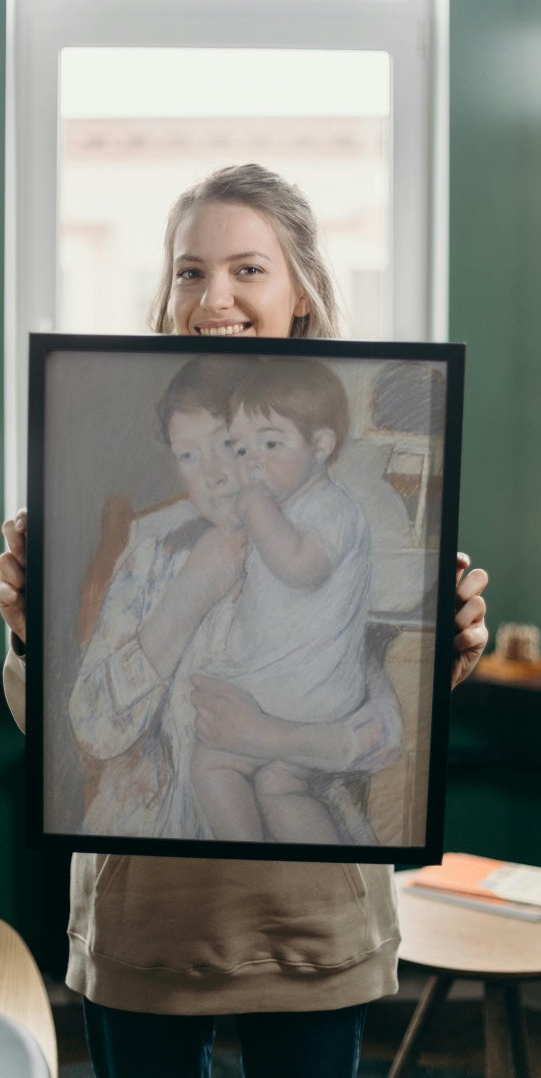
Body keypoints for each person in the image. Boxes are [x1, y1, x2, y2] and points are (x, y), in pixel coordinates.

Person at [0, 163, 489, 1078]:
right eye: (189, 270)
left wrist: (450, 652)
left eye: (248, 269)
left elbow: (383, 734)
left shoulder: (347, 515)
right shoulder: (149, 548)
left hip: (307, 924)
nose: (213, 294)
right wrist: (35, 631)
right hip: (147, 927)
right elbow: (81, 733)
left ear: (300, 292)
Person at [192, 357, 374, 845]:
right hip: (308, 694)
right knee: (281, 785)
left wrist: (255, 507)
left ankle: (240, 860)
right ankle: (315, 870)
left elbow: (298, 568)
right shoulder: (290, 506)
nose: (252, 461)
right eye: (241, 447)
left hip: (299, 692)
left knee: (213, 762)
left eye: (271, 443)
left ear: (321, 445)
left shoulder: (334, 508)